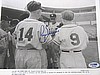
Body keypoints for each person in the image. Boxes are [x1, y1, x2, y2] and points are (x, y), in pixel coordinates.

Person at [14, 0, 52, 69]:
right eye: (41, 11)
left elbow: (14, 39)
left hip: (19, 53)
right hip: (33, 53)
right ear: (38, 11)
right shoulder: (41, 25)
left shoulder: (20, 24)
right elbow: (45, 43)